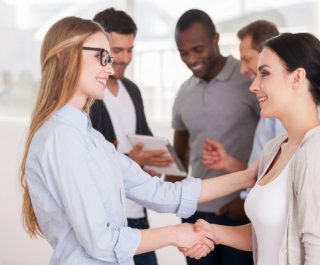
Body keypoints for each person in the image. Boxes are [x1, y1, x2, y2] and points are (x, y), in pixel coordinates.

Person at [20, 16, 257, 265]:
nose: (110, 69)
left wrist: (249, 176)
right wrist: (176, 234)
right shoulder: (61, 137)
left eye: (109, 59)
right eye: (101, 57)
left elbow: (162, 194)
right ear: (64, 56)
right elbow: (101, 242)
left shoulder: (90, 138)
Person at [184, 32, 320, 265]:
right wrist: (213, 232)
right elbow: (265, 234)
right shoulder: (274, 149)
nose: (253, 86)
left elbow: (319, 256)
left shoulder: (318, 153)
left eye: (264, 73)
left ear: (297, 78)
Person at [170, 9, 259, 265]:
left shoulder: (248, 81)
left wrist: (247, 200)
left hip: (239, 211)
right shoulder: (184, 92)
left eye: (197, 49)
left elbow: (273, 143)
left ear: (216, 39)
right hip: (196, 215)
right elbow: (179, 157)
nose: (190, 59)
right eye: (183, 52)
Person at [90, 8, 169, 265]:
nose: (125, 58)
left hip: (137, 212)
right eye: (117, 50)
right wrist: (129, 159)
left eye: (130, 49)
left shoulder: (132, 90)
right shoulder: (89, 96)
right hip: (106, 219)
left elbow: (142, 139)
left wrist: (151, 162)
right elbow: (87, 159)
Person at [203, 20, 280, 174]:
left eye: (247, 59)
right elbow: (262, 172)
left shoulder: (283, 105)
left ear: (269, 55)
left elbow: (279, 174)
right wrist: (228, 163)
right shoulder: (269, 103)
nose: (242, 70)